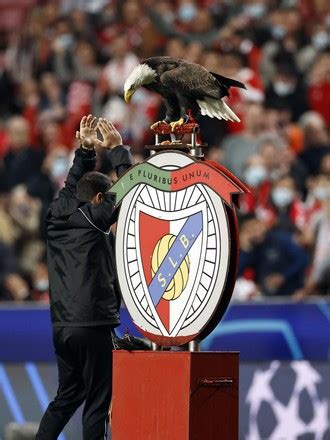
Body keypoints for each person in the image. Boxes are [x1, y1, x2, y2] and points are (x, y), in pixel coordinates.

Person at [36, 114, 133, 440]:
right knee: (97, 401)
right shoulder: (94, 218)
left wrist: (86, 150)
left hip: (61, 326)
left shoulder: (56, 213)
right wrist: (119, 151)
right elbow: (130, 190)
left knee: (66, 397)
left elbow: (71, 185)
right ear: (97, 200)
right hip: (92, 323)